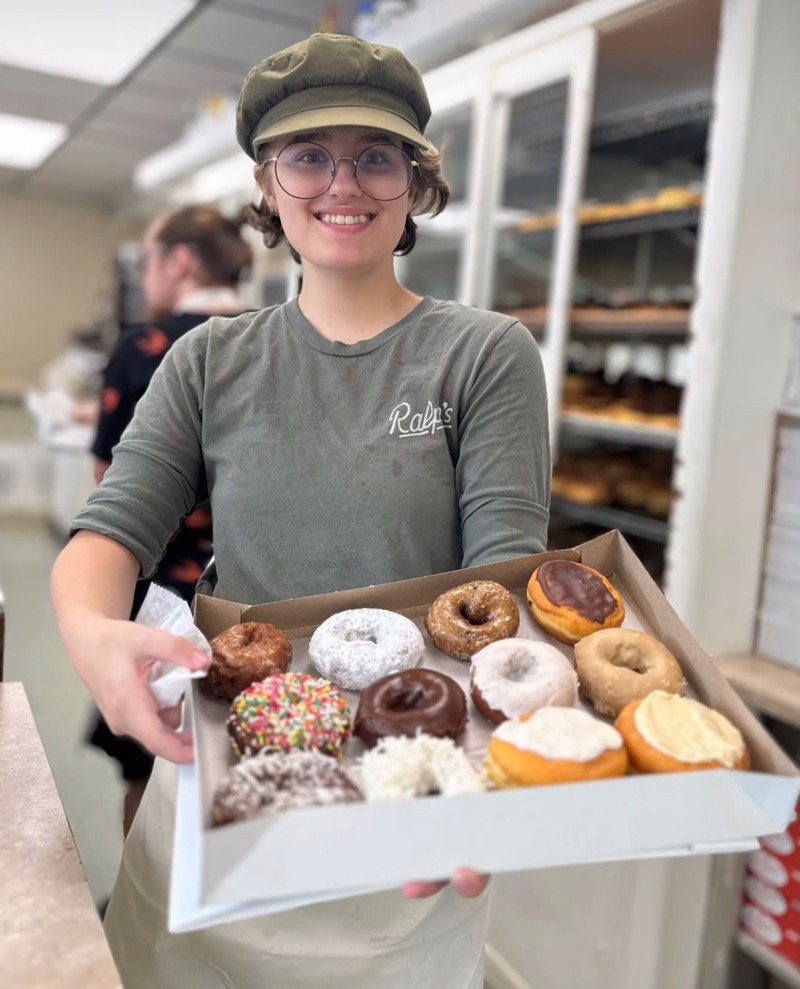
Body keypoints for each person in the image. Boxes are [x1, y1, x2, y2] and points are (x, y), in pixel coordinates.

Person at [51, 33, 550, 989]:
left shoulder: (483, 356)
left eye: (376, 155)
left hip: (405, 788)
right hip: (221, 784)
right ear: (267, 184)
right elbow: (111, 531)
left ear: (415, 180)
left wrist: (482, 786)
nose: (343, 183)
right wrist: (87, 630)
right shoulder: (209, 360)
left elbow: (502, 581)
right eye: (307, 155)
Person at [87, 205, 252, 835]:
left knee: (150, 755)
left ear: (180, 261)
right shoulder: (278, 341)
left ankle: (149, 894)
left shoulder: (147, 345)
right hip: (257, 593)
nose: (146, 273)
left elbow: (113, 487)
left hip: (164, 593)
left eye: (150, 258)